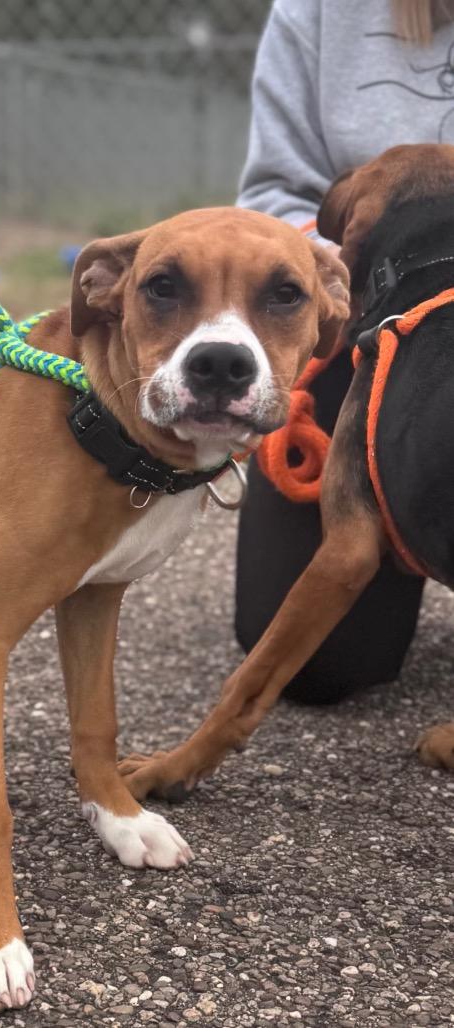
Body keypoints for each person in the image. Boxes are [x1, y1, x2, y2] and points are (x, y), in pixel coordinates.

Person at [234, 0, 454, 702]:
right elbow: (274, 194)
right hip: (372, 322)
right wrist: (341, 272)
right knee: (324, 663)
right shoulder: (322, 11)